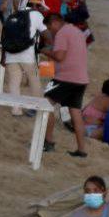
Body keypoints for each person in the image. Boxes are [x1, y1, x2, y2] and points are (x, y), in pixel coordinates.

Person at [41, 12, 90, 157]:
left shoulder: (62, 33)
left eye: (49, 27)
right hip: (81, 79)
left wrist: (45, 51)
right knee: (75, 113)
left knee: (46, 104)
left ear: (55, 22)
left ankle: (48, 142)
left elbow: (60, 57)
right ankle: (81, 150)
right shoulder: (77, 31)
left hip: (65, 78)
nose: (50, 31)